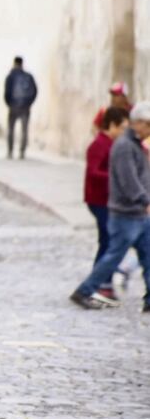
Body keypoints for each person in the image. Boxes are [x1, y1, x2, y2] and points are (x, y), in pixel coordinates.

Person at [71, 101, 150, 312]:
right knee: (113, 255)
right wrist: (145, 200)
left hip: (137, 213)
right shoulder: (123, 146)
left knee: (147, 254)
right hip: (124, 213)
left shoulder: (135, 145)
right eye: (148, 125)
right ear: (139, 123)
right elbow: (128, 181)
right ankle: (86, 290)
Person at [84, 106, 131, 301]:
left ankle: (102, 282)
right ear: (112, 125)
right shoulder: (99, 144)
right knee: (108, 241)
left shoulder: (112, 144)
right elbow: (93, 172)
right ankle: (99, 283)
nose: (123, 132)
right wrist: (115, 176)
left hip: (109, 200)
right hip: (98, 200)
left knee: (108, 241)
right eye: (122, 128)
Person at [3, 56, 38, 159]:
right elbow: (35, 91)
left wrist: (9, 104)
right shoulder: (28, 76)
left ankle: (10, 151)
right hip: (25, 107)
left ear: (14, 63)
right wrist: (29, 103)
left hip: (13, 106)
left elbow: (6, 92)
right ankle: (22, 152)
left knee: (11, 130)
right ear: (22, 64)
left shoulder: (10, 76)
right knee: (24, 130)